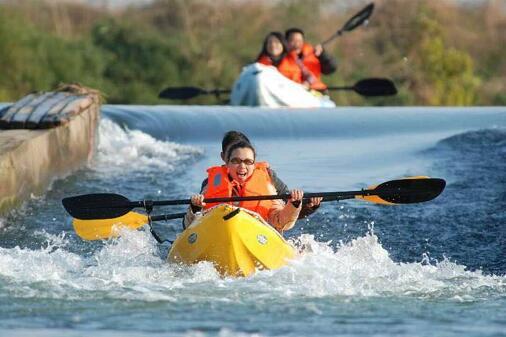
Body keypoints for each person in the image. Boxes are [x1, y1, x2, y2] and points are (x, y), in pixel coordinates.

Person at [184, 139, 320, 233]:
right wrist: (194, 208)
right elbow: (189, 226)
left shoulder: (266, 187)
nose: (242, 166)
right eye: (235, 161)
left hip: (254, 237)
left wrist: (294, 204)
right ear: (227, 164)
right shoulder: (211, 186)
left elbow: (281, 221)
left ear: (254, 165)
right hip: (218, 236)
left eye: (248, 162)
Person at [285, 27, 337, 92]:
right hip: (291, 93)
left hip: (315, 92)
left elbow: (331, 69)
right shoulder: (281, 58)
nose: (297, 44)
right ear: (286, 42)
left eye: (299, 41)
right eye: (293, 40)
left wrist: (323, 55)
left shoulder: (314, 54)